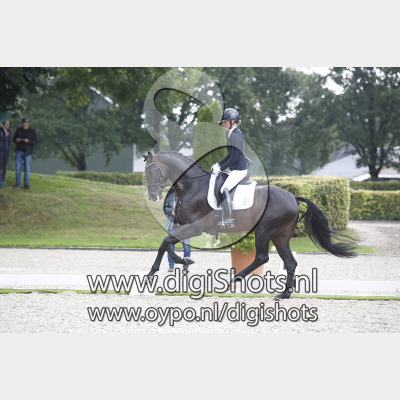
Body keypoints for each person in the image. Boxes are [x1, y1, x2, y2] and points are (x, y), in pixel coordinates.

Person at [211, 108, 247, 228]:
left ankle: (229, 219)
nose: (224, 124)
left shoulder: (236, 136)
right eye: (224, 122)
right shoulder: (232, 134)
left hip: (239, 170)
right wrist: (218, 164)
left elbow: (234, 158)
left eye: (225, 122)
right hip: (234, 169)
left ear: (233, 121)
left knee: (224, 189)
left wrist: (221, 168)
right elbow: (230, 155)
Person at [163, 187, 191, 273]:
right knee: (170, 245)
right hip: (173, 225)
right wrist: (170, 211)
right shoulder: (170, 194)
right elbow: (165, 208)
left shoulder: (189, 193)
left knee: (186, 246)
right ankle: (171, 265)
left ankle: (186, 266)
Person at [12, 117, 37, 189]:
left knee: (27, 168)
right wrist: (16, 140)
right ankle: (18, 183)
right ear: (22, 123)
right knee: (18, 167)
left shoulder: (32, 131)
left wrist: (28, 141)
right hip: (19, 150)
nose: (25, 124)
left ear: (28, 124)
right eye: (23, 123)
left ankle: (26, 184)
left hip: (28, 152)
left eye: (26, 123)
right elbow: (14, 139)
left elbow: (35, 141)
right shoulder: (18, 130)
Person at [0, 120, 12, 188]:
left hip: (6, 151)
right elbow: (1, 139)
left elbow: (9, 140)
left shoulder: (9, 131)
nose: (7, 125)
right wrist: (5, 135)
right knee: (0, 166)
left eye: (8, 124)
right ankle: (0, 181)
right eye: (6, 124)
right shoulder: (1, 131)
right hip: (1, 150)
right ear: (3, 124)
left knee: (4, 167)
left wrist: (9, 146)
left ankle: (3, 180)